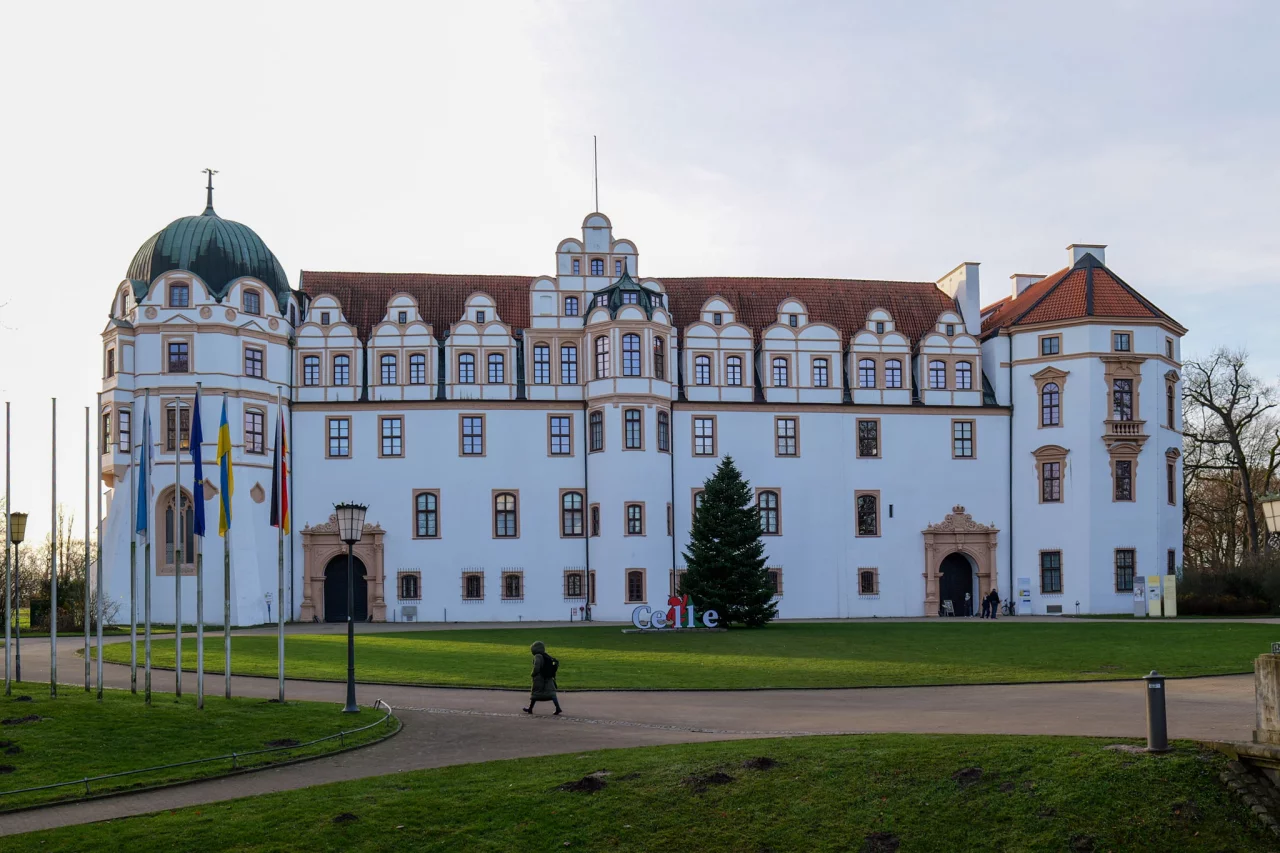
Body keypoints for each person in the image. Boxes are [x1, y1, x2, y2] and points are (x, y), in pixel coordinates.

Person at [522, 640, 562, 715]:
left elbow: (537, 667)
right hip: (548, 678)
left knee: (535, 694)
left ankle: (530, 709)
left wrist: (533, 674)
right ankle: (558, 708)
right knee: (552, 694)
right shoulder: (546, 656)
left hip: (540, 678)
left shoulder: (538, 656)